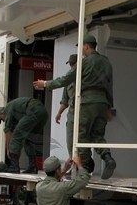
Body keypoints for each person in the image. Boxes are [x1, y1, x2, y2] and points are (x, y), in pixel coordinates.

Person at [36, 34, 116, 178]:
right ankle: (107, 157)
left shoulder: (84, 62)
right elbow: (110, 85)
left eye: (81, 47)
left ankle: (82, 170)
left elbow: (66, 79)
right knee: (97, 135)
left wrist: (46, 84)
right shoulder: (106, 62)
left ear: (86, 46)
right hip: (102, 103)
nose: (81, 51)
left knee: (81, 137)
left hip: (86, 103)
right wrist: (109, 106)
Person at [0, 98, 48, 174]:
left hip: (32, 110)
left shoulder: (7, 109)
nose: (3, 121)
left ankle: (14, 167)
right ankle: (32, 167)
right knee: (28, 140)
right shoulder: (16, 111)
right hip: (43, 113)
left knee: (15, 138)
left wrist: (9, 149)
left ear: (1, 113)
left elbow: (8, 130)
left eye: (1, 119)